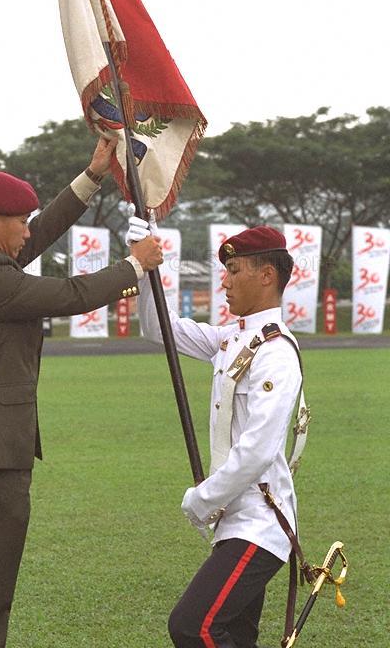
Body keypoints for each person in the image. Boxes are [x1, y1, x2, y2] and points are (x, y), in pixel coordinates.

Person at [0, 136, 163, 648]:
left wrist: (92, 175)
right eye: (20, 220)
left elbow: (35, 239)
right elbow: (71, 294)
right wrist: (135, 265)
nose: (26, 230)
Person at [129, 218, 301, 648]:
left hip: (260, 522)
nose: (224, 281)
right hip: (235, 521)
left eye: (234, 271)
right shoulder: (232, 339)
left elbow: (258, 450)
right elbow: (158, 328)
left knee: (193, 627)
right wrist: (143, 265)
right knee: (235, 636)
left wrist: (203, 499)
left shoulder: (276, 353)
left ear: (267, 275)